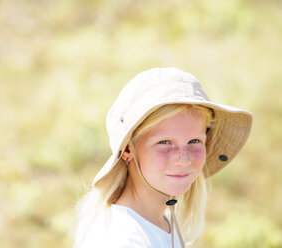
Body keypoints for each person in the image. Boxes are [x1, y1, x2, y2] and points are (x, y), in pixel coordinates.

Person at [74, 67, 253, 248]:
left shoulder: (161, 223)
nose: (183, 159)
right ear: (128, 148)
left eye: (194, 141)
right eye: (165, 142)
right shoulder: (124, 239)